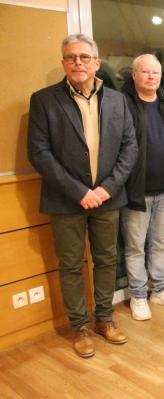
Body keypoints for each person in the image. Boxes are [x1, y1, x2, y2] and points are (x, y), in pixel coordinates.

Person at [27, 34, 138, 358]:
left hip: (107, 198)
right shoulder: (44, 100)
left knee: (107, 259)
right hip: (66, 201)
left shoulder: (118, 101)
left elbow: (129, 148)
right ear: (63, 63)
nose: (78, 62)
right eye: (72, 57)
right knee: (71, 265)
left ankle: (104, 319)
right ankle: (79, 326)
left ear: (96, 63)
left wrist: (106, 188)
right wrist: (79, 192)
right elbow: (39, 152)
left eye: (84, 57)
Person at [120, 54, 164, 321]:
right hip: (135, 191)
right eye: (145, 72)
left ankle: (159, 289)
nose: (151, 77)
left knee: (159, 243)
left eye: (155, 73)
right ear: (134, 75)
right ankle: (138, 295)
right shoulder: (122, 104)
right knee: (135, 247)